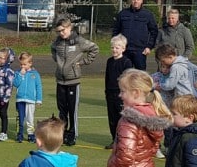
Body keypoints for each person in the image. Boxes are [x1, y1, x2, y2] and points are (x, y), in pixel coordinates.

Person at [51, 17, 99, 146]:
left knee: (72, 110)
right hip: (60, 81)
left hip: (73, 81)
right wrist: (59, 63)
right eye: (59, 31)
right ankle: (62, 134)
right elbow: (53, 49)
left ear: (69, 27)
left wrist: (82, 62)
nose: (61, 33)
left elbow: (94, 49)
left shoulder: (79, 41)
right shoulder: (58, 42)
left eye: (63, 30)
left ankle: (73, 135)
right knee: (62, 110)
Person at [111, 0, 158, 71]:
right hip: (125, 50)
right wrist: (117, 46)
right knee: (123, 74)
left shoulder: (147, 15)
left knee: (140, 76)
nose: (136, 1)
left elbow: (154, 32)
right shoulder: (123, 14)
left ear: (142, 0)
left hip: (140, 51)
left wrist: (149, 46)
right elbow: (116, 31)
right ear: (131, 0)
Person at [104, 35, 133, 149]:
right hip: (110, 93)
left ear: (123, 49)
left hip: (120, 94)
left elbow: (128, 79)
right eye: (113, 47)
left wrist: (125, 94)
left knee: (121, 118)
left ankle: (123, 141)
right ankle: (114, 140)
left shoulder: (126, 62)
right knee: (112, 118)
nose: (114, 50)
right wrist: (106, 91)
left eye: (117, 47)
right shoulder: (109, 61)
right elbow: (107, 77)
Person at [153, 43, 197, 108]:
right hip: (191, 95)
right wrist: (193, 82)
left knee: (181, 116)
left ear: (170, 57)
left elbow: (170, 85)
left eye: (163, 61)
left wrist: (159, 85)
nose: (162, 63)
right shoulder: (184, 61)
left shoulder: (176, 67)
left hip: (183, 98)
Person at [13, 52, 43, 143]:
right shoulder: (18, 73)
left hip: (30, 100)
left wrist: (39, 99)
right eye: (21, 64)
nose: (23, 66)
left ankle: (30, 135)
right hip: (20, 99)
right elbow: (15, 84)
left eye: (25, 64)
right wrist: (20, 75)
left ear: (30, 63)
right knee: (20, 118)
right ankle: (20, 134)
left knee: (30, 118)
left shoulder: (35, 74)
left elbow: (38, 87)